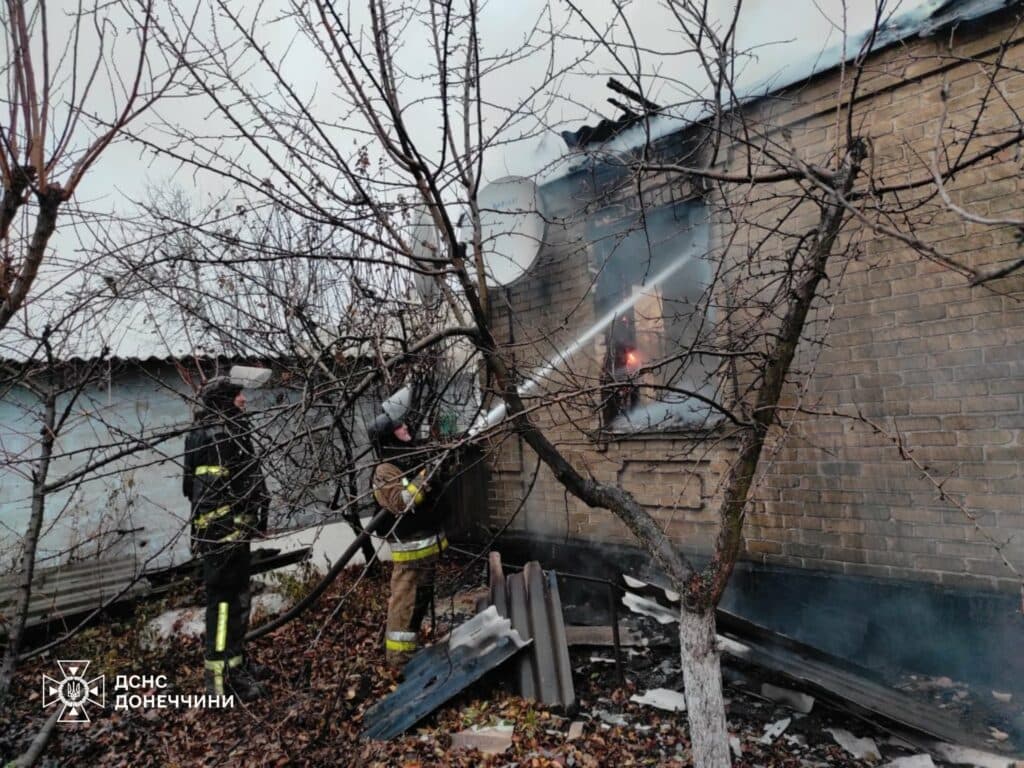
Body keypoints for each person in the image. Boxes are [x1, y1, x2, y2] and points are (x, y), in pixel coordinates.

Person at [182, 376, 270, 701]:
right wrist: (226, 531)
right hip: (222, 539)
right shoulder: (215, 437)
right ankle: (220, 683)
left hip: (235, 535)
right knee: (222, 609)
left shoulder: (229, 431)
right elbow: (206, 494)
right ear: (222, 402)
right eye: (237, 395)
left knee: (239, 602)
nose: (244, 399)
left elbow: (246, 480)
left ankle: (236, 664)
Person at [368, 412, 449, 669]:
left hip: (426, 550)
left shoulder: (409, 457)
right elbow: (400, 502)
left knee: (419, 604)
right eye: (399, 427)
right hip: (409, 554)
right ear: (387, 437)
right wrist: (425, 478)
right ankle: (398, 661)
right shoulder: (384, 470)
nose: (406, 428)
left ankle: (410, 651)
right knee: (404, 605)